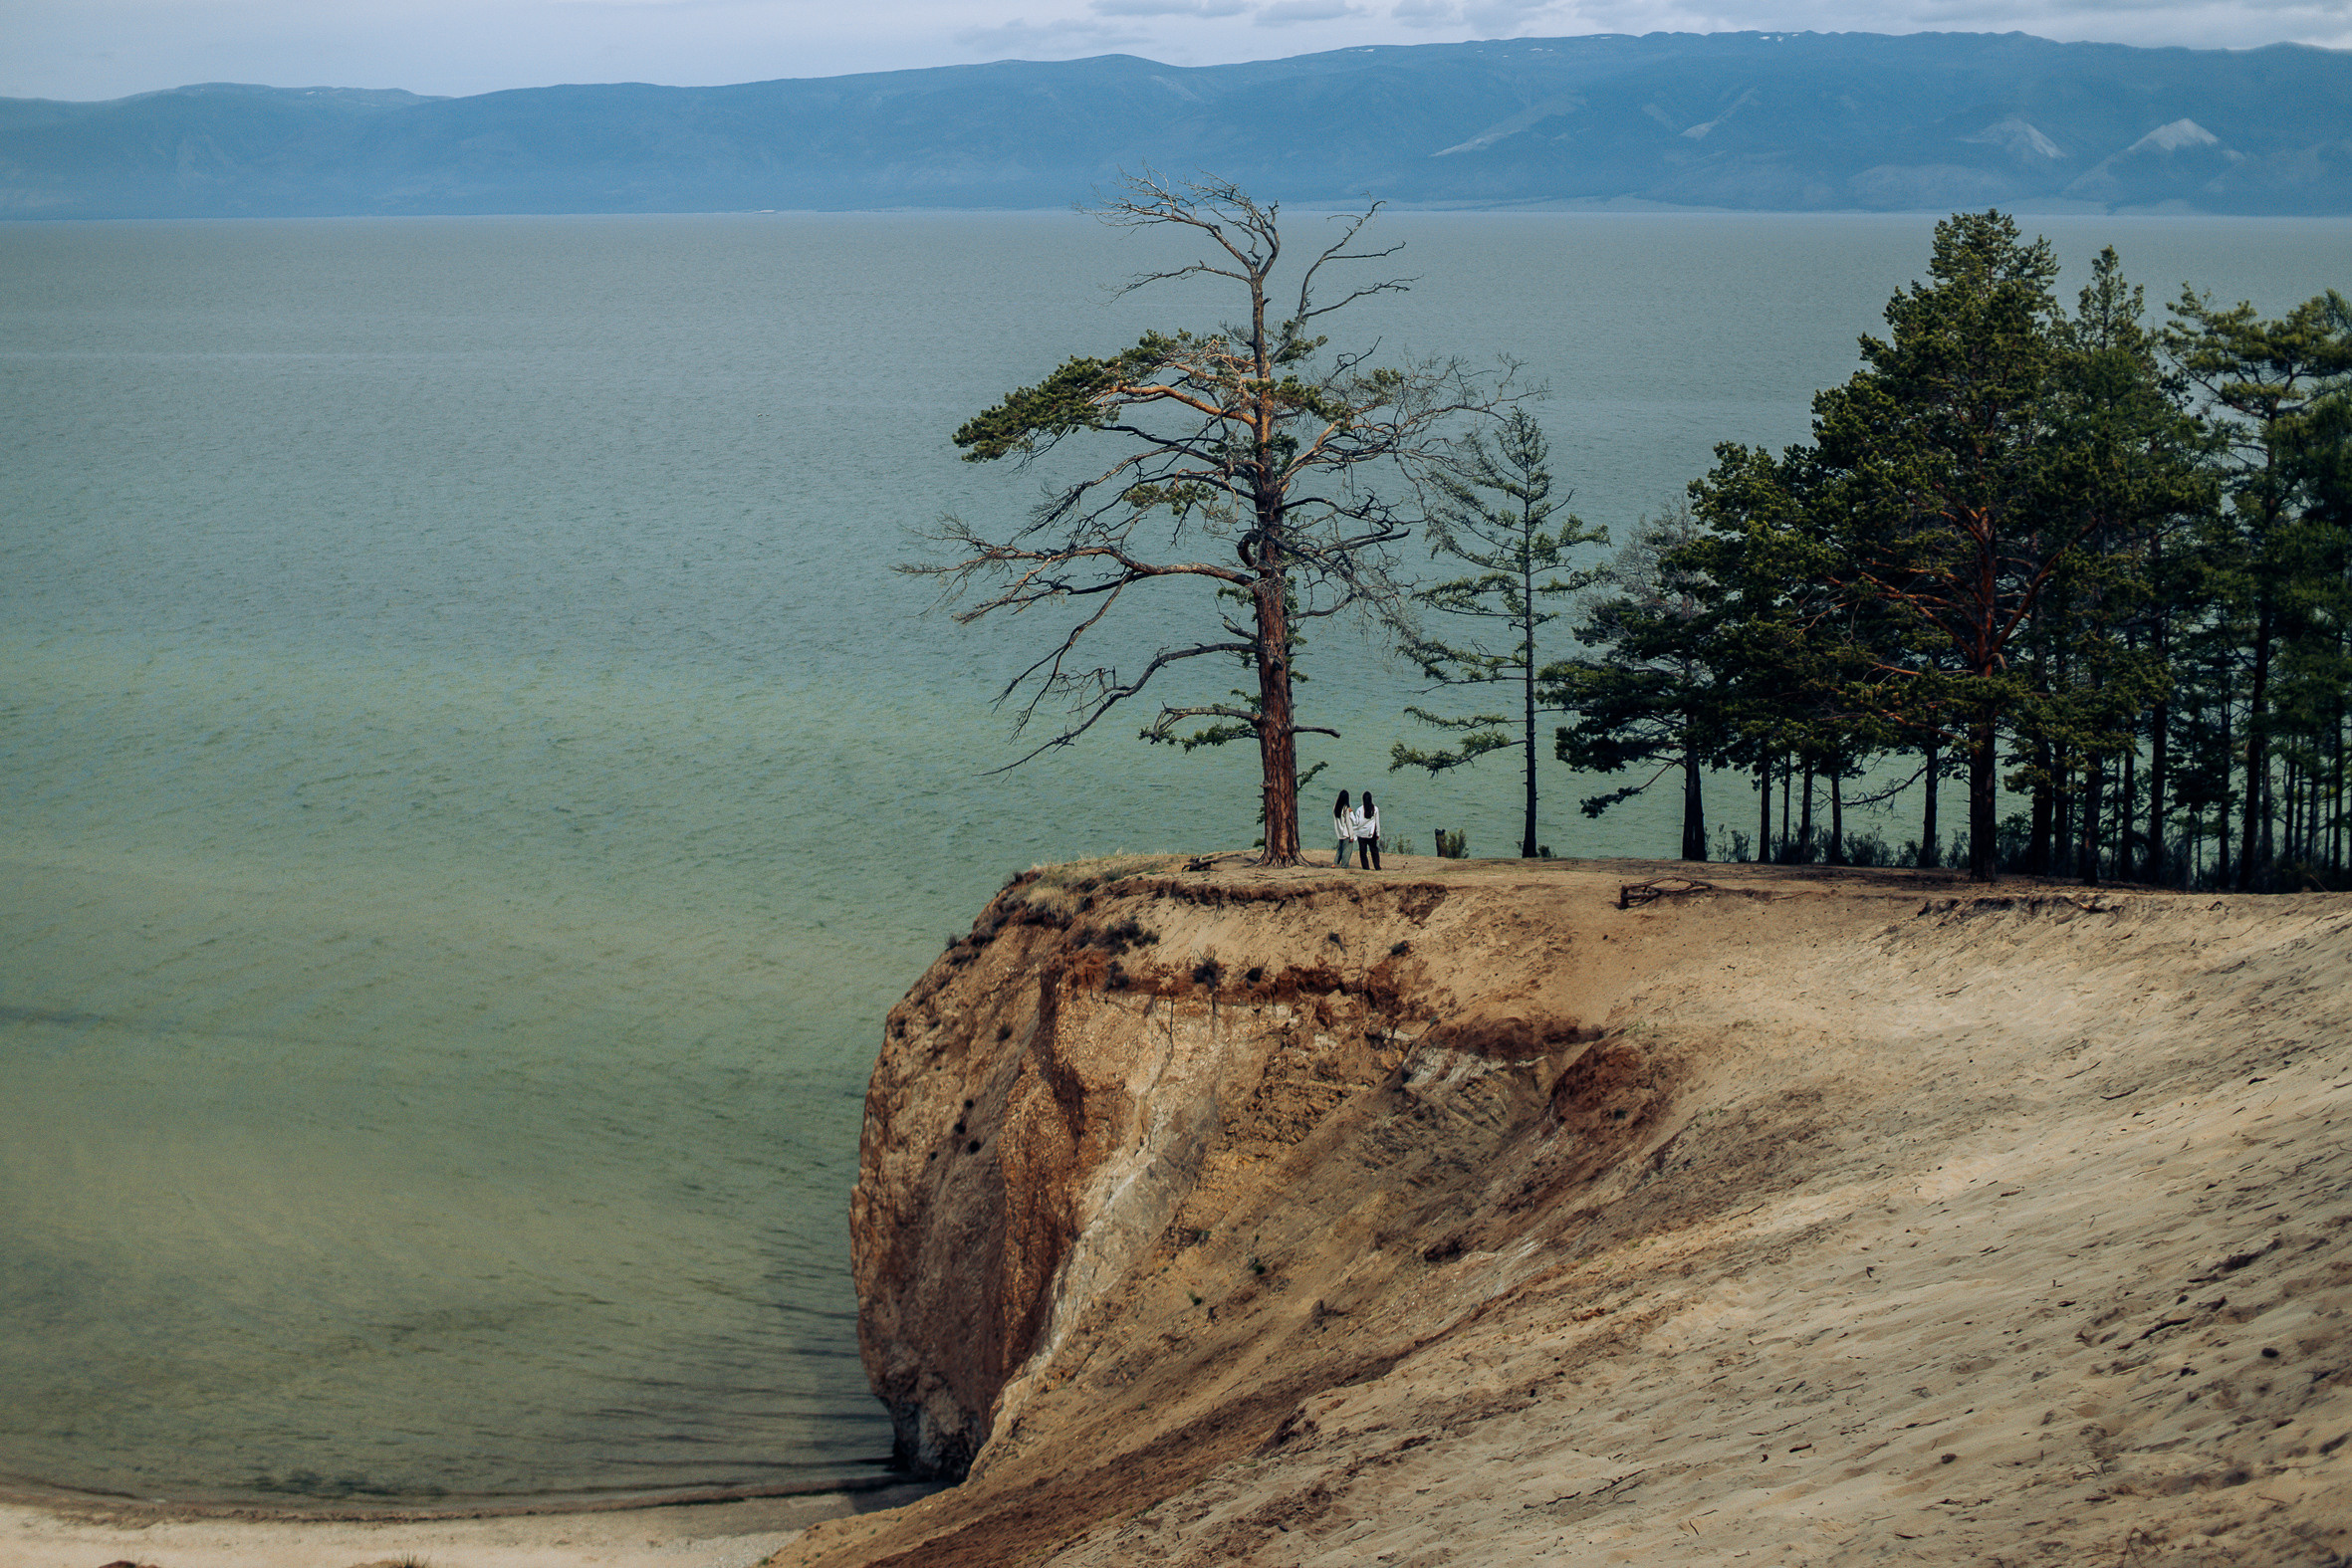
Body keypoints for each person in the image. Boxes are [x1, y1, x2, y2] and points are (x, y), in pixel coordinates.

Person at [1356, 789, 1382, 870]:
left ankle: (1366, 867)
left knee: (1363, 852)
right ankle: (1377, 866)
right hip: (1371, 833)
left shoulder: (1359, 809)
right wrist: (1378, 833)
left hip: (1361, 833)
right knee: (1374, 850)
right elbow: (1377, 822)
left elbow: (1357, 822)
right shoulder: (1375, 809)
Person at [1333, 790, 1357, 867]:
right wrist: (1352, 836)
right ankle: (1344, 865)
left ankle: (1335, 863)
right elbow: (1349, 823)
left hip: (1339, 832)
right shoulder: (1346, 809)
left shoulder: (1335, 808)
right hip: (1346, 832)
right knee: (1347, 850)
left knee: (1340, 848)